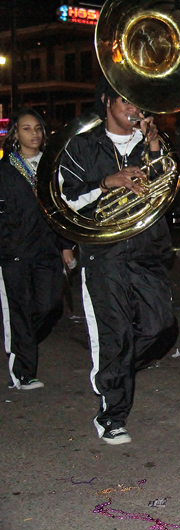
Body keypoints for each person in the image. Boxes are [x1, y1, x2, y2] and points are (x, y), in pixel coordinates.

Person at [58, 78, 179, 444]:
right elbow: (67, 202)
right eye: (125, 100)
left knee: (161, 328)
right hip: (103, 256)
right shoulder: (81, 146)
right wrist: (108, 183)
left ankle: (115, 372)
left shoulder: (153, 145)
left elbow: (168, 192)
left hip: (147, 252)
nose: (133, 109)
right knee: (115, 336)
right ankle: (112, 414)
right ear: (107, 102)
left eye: (138, 103)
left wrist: (155, 146)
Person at [1, 108, 72, 390]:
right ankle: (24, 371)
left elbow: (64, 210)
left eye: (38, 129)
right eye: (27, 129)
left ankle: (20, 340)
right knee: (19, 309)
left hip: (47, 249)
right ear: (15, 134)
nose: (35, 134)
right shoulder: (5, 170)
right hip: (14, 252)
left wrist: (66, 246)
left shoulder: (52, 167)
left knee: (50, 305)